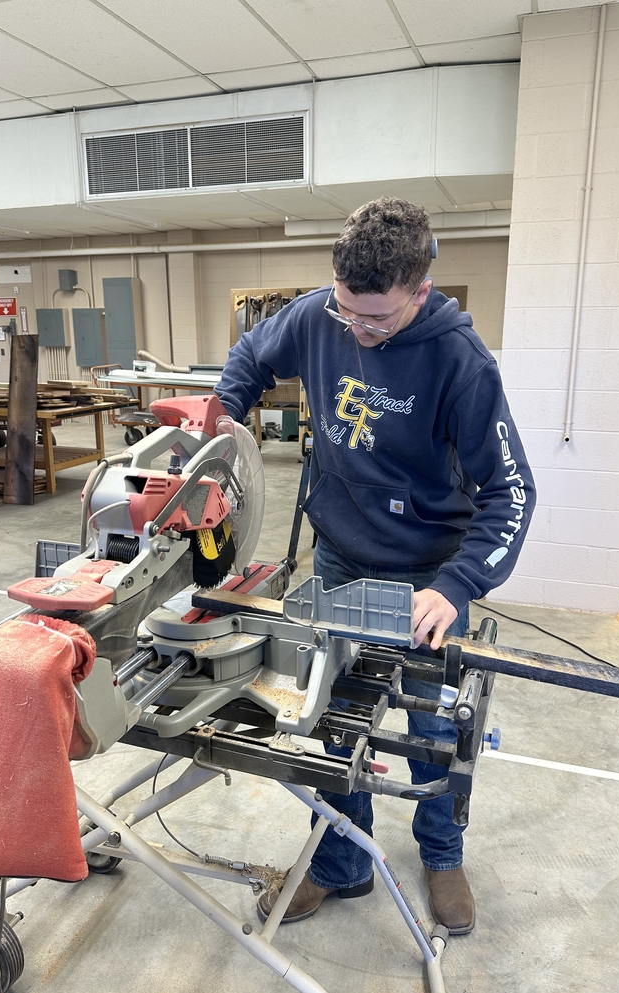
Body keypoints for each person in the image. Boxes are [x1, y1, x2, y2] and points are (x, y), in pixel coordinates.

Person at [214, 196, 535, 935]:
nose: (357, 329)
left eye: (378, 319)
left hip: (427, 575)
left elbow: (512, 492)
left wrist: (455, 588)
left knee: (428, 734)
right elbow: (250, 357)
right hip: (337, 556)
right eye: (347, 310)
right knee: (331, 719)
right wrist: (225, 416)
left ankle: (442, 853)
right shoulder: (318, 315)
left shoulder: (460, 361)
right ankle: (340, 864)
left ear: (421, 291)